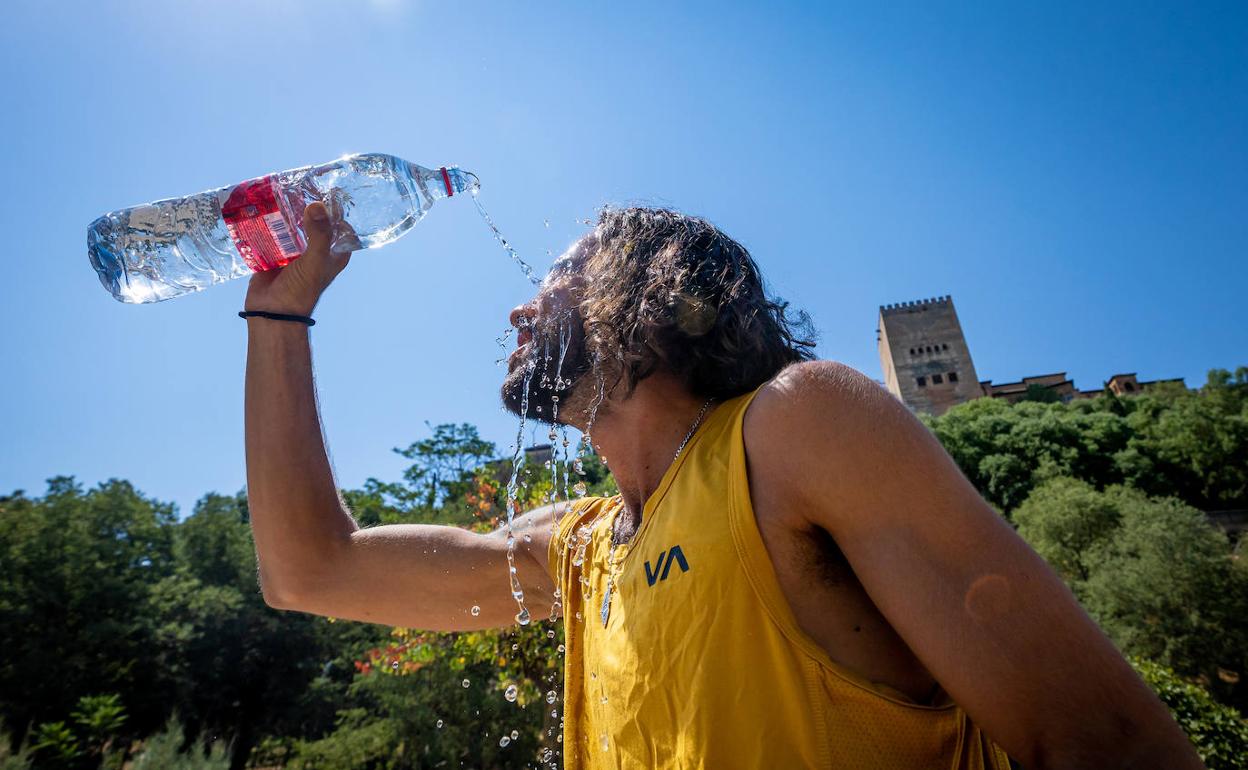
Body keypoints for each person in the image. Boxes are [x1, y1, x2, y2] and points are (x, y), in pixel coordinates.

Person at [242, 201, 1204, 769]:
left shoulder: (798, 428)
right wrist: (279, 318)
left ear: (648, 297)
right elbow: (309, 571)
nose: (521, 308)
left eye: (559, 277)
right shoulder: (577, 549)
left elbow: (1110, 745)